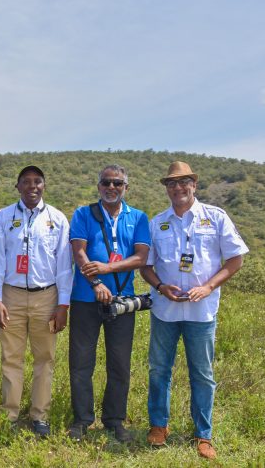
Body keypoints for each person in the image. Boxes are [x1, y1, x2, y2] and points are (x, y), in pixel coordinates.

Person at [140, 161, 248, 460]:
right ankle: (159, 426)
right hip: (166, 311)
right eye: (172, 183)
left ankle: (203, 435)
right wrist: (162, 287)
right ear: (166, 188)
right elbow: (146, 267)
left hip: (202, 312)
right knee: (159, 370)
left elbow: (235, 260)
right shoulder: (157, 222)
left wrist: (209, 287)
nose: (178, 187)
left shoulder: (215, 217)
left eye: (184, 182)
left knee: (202, 373)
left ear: (194, 185)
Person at [0, 165, 73, 438]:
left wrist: (63, 305)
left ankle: (40, 416)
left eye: (37, 182)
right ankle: (10, 414)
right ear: (18, 187)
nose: (32, 186)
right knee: (11, 358)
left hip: (46, 297)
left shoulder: (57, 219)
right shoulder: (4, 217)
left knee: (44, 359)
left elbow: (64, 266)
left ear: (44, 186)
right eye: (26, 182)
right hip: (11, 295)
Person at [67, 165, 151, 442]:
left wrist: (106, 269)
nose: (111, 187)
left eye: (117, 183)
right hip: (84, 299)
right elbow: (78, 251)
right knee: (81, 363)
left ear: (127, 187)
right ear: (98, 185)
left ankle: (114, 421)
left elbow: (141, 258)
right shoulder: (83, 214)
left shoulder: (138, 217)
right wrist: (95, 282)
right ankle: (82, 419)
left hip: (122, 301)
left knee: (119, 364)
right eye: (106, 182)